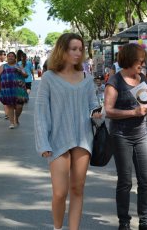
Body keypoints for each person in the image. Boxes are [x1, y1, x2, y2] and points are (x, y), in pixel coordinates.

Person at [34, 33, 101, 230]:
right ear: (62, 50)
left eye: (80, 49)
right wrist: (43, 142)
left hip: (83, 138)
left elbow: (93, 106)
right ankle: (57, 227)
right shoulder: (48, 78)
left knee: (77, 189)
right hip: (57, 139)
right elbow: (41, 112)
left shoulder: (87, 79)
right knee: (60, 193)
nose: (78, 53)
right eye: (73, 49)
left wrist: (98, 113)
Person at [104, 43, 147, 230]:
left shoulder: (141, 77)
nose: (143, 64)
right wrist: (134, 112)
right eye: (140, 60)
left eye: (143, 61)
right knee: (125, 181)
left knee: (146, 179)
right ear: (129, 60)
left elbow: (146, 100)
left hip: (141, 133)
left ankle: (145, 221)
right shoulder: (115, 81)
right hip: (121, 135)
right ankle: (124, 223)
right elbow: (109, 111)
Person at [0, 52, 29, 129]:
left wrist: (21, 71)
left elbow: (26, 75)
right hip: (7, 89)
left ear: (15, 58)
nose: (10, 57)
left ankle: (16, 118)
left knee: (19, 106)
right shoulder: (3, 66)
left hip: (19, 89)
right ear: (7, 57)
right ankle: (12, 123)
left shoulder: (19, 66)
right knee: (10, 106)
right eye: (9, 56)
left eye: (12, 56)